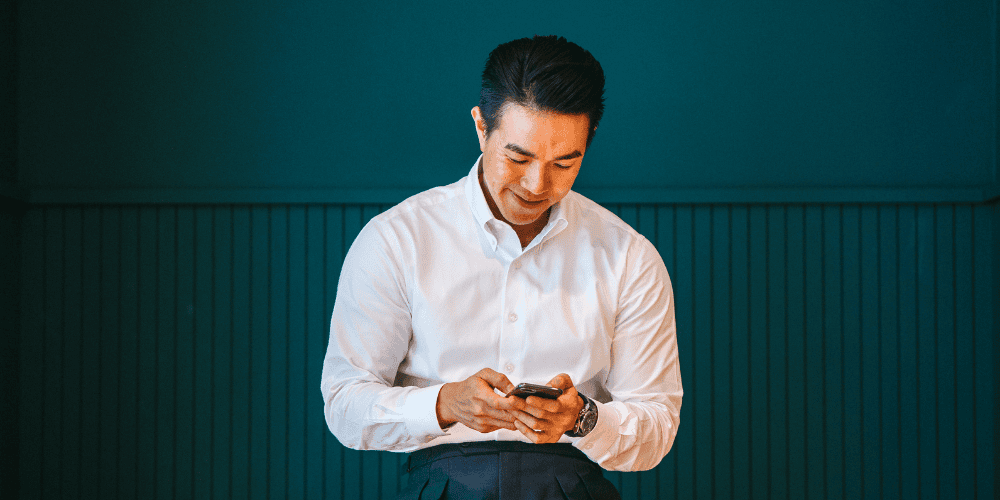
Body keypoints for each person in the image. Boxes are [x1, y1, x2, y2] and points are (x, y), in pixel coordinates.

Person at [321, 35, 682, 499]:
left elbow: (657, 424)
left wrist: (582, 418)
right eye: (518, 157)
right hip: (440, 485)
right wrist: (443, 404)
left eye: (565, 163)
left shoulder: (629, 256)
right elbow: (345, 405)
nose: (537, 184)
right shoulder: (396, 240)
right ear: (480, 128)